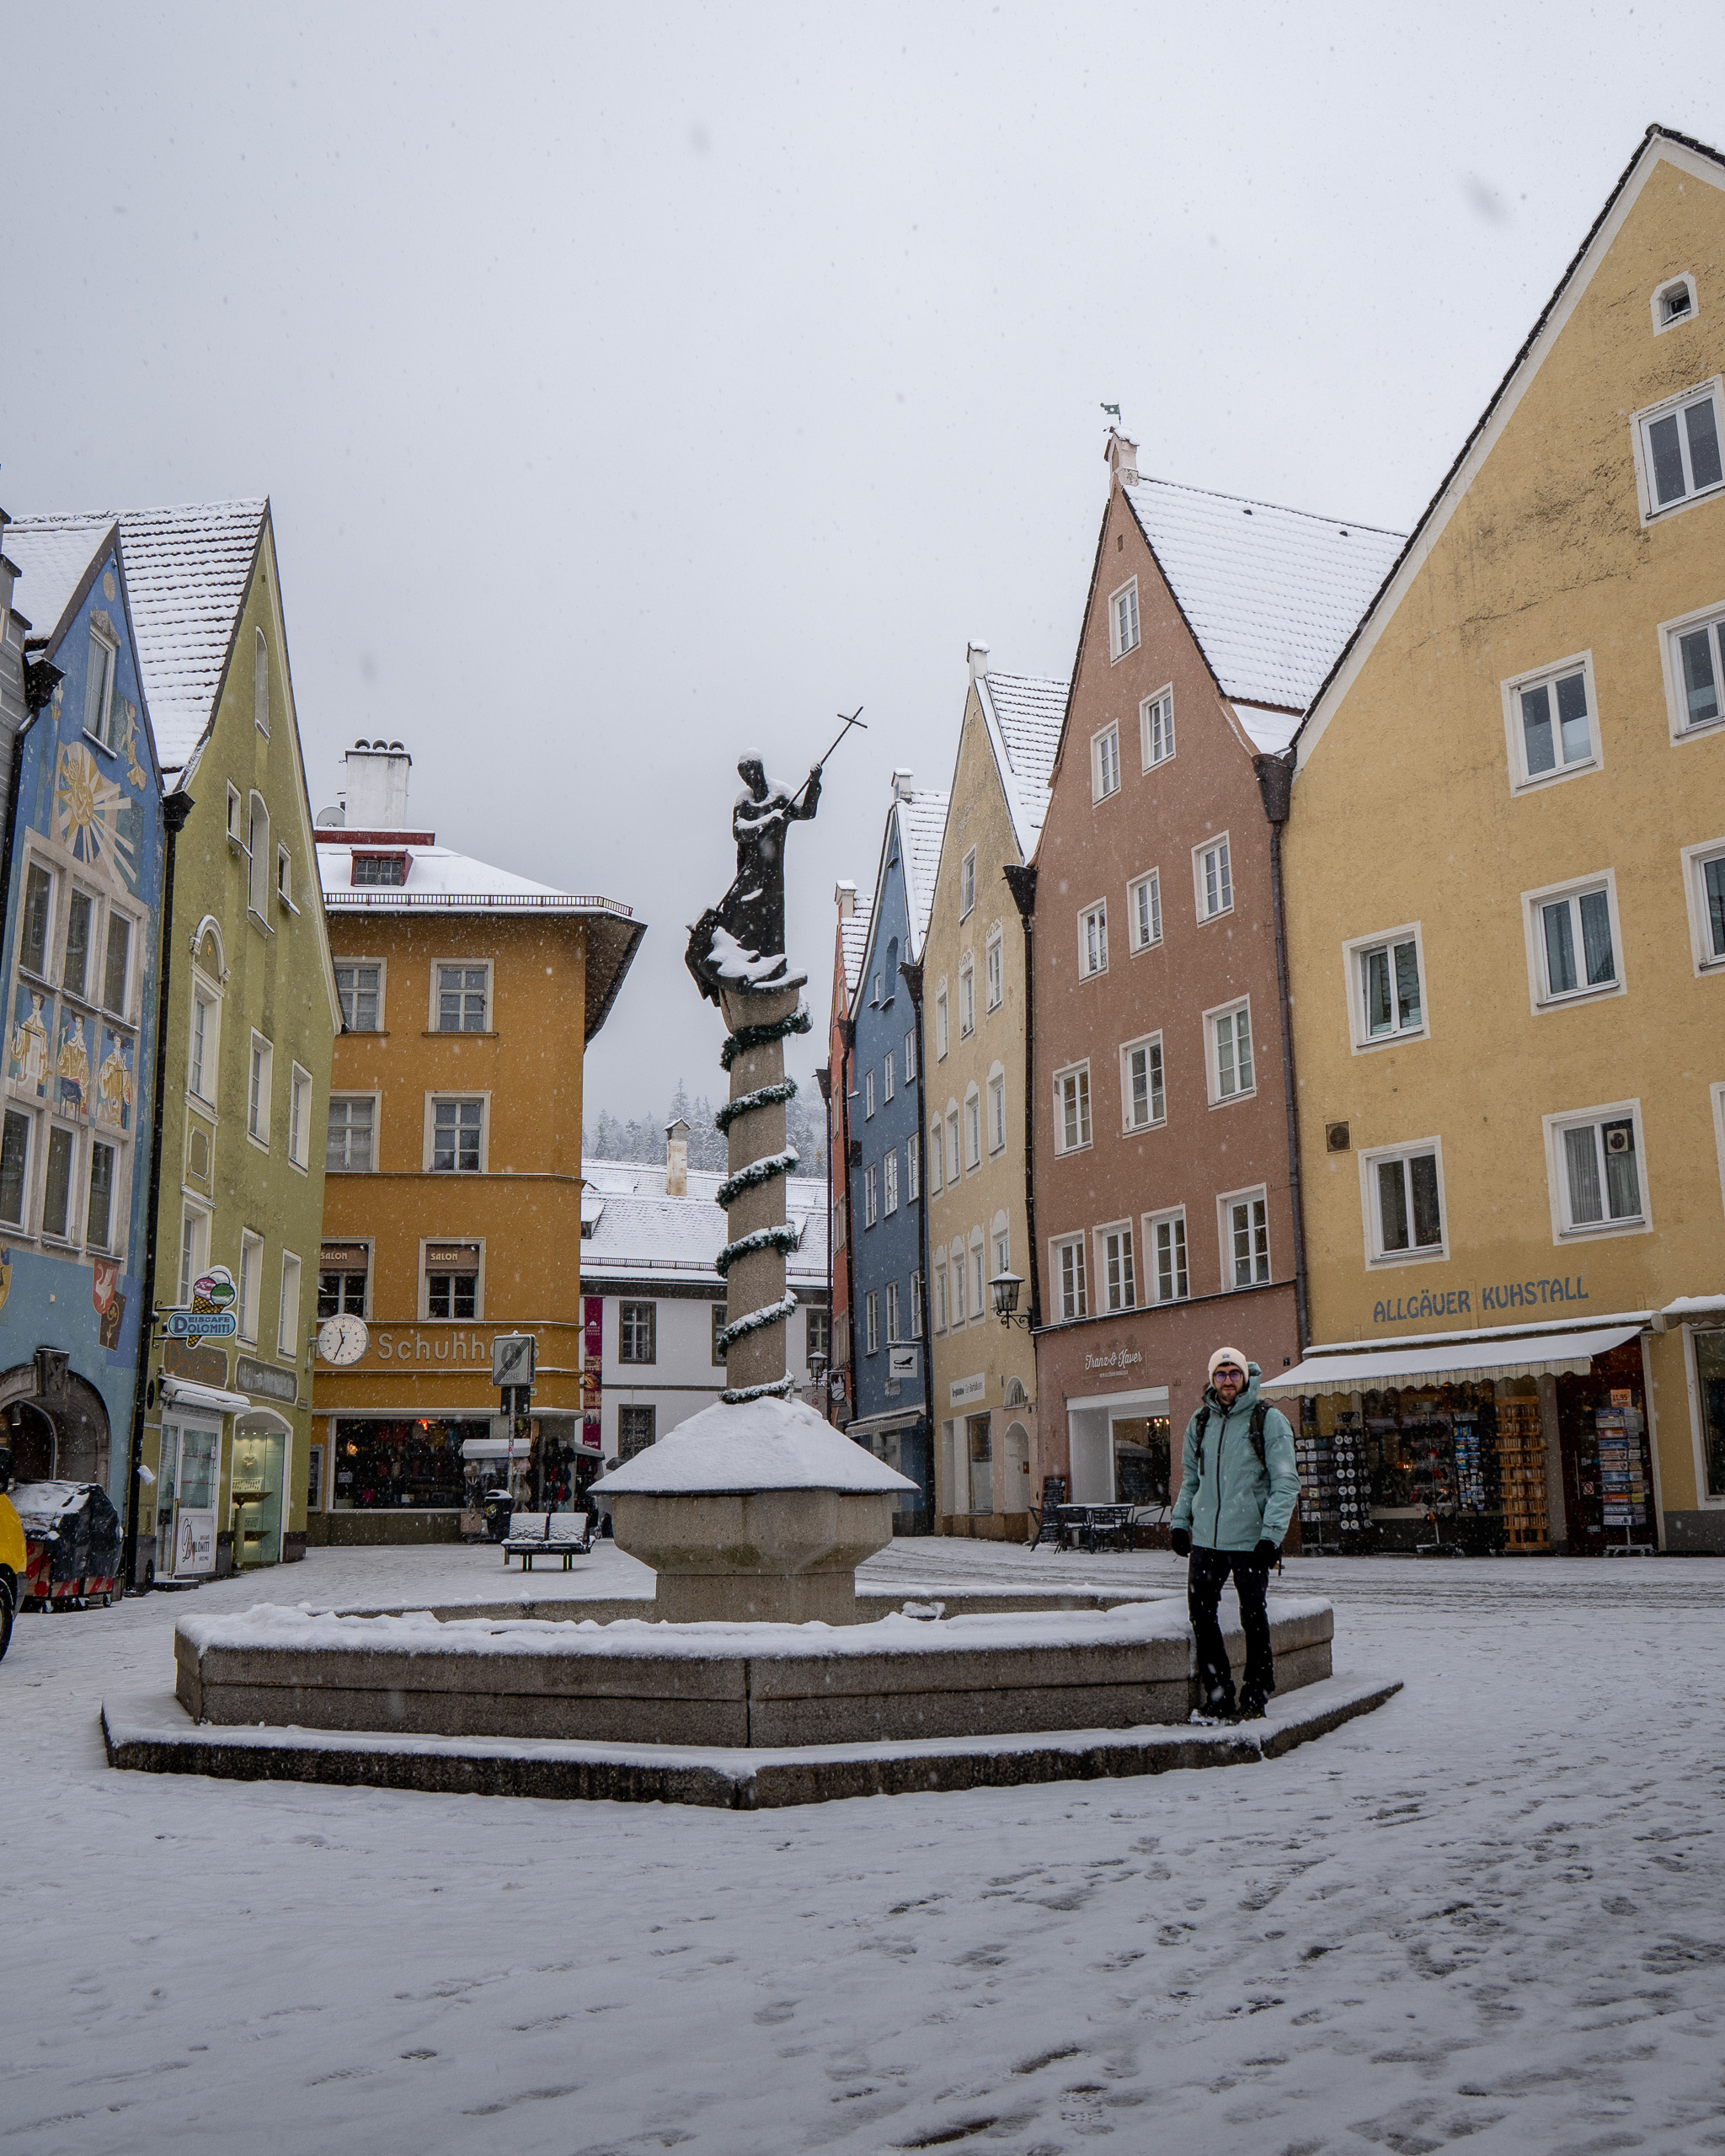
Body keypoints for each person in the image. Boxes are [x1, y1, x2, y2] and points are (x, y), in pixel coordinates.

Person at [1169, 1347, 1300, 1722]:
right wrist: (1181, 1523)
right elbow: (1192, 1480)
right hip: (1207, 1540)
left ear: (1245, 1376)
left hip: (1249, 1540)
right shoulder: (1200, 1421)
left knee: (1253, 1619)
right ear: (1212, 1379)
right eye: (1221, 1374)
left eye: (1234, 1373)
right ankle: (1219, 1694)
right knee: (1202, 1615)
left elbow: (1286, 1482)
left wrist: (1271, 1536)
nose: (1228, 1381)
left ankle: (1256, 1694)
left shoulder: (1267, 1420)